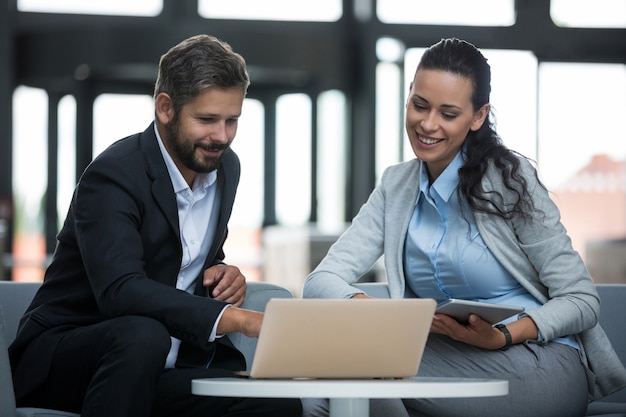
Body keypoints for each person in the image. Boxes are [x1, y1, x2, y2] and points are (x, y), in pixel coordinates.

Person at [302, 38, 626, 417]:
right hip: (443, 356)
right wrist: (379, 316)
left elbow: (581, 300)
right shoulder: (396, 186)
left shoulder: (511, 182)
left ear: (477, 116)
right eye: (419, 105)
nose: (428, 124)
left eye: (448, 113)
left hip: (536, 361)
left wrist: (501, 334)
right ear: (409, 95)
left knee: (353, 372)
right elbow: (320, 282)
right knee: (324, 382)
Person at [9, 34, 302, 417]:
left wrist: (223, 272)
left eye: (232, 120)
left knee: (275, 406)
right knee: (141, 335)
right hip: (70, 355)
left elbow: (194, 256)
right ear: (165, 108)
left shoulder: (225, 168)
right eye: (207, 119)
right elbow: (121, 290)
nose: (222, 136)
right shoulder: (113, 174)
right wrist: (233, 319)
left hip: (162, 362)